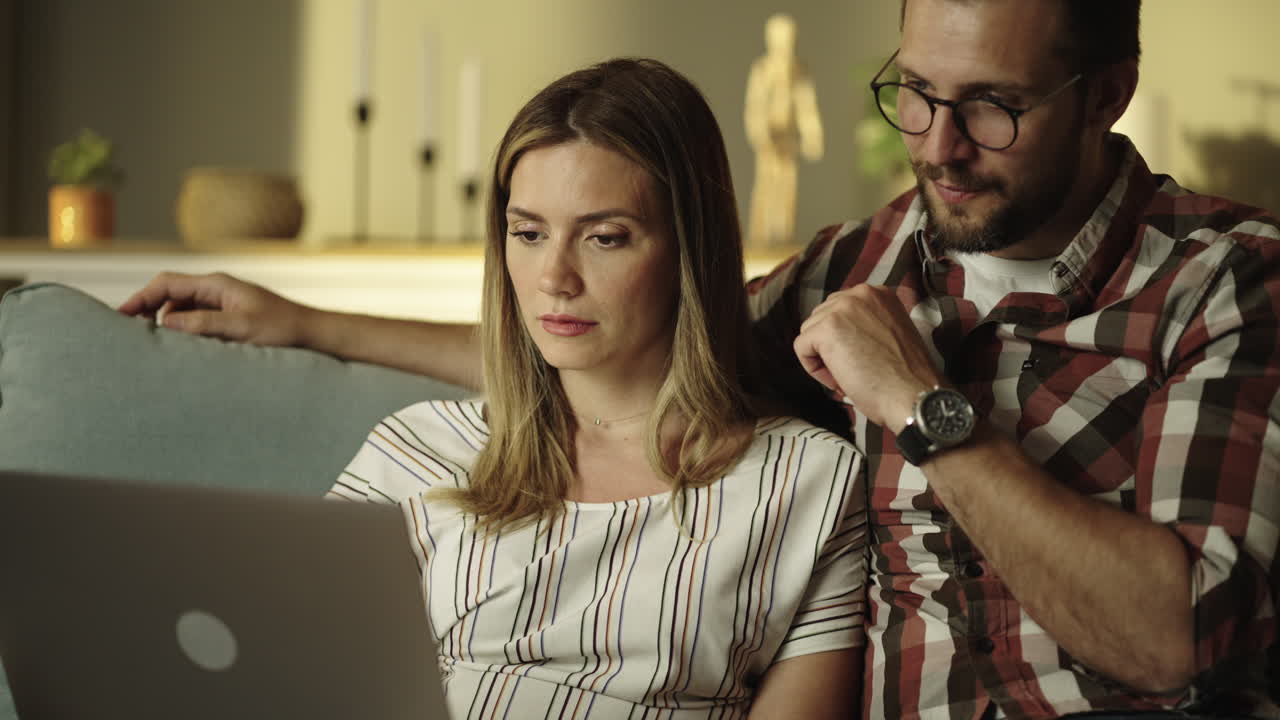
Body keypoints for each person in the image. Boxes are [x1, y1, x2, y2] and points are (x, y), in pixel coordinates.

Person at [121, 1, 1280, 717]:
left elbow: (1177, 641)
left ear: (1107, 94)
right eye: (914, 95)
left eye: (992, 107)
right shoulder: (865, 259)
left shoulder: (1221, 279)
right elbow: (619, 338)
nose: (935, 144)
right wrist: (311, 323)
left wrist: (925, 410)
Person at [292, 59, 871, 717]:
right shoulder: (413, 452)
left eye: (604, 237)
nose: (554, 277)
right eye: (529, 233)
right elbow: (288, 674)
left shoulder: (809, 485)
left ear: (690, 248)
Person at [743, 12, 824, 248]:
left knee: (788, 186)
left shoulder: (798, 71)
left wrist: (812, 135)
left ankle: (784, 236)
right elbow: (755, 104)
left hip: (788, 137)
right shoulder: (763, 69)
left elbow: (806, 106)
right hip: (769, 137)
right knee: (766, 185)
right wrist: (759, 132)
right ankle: (760, 236)